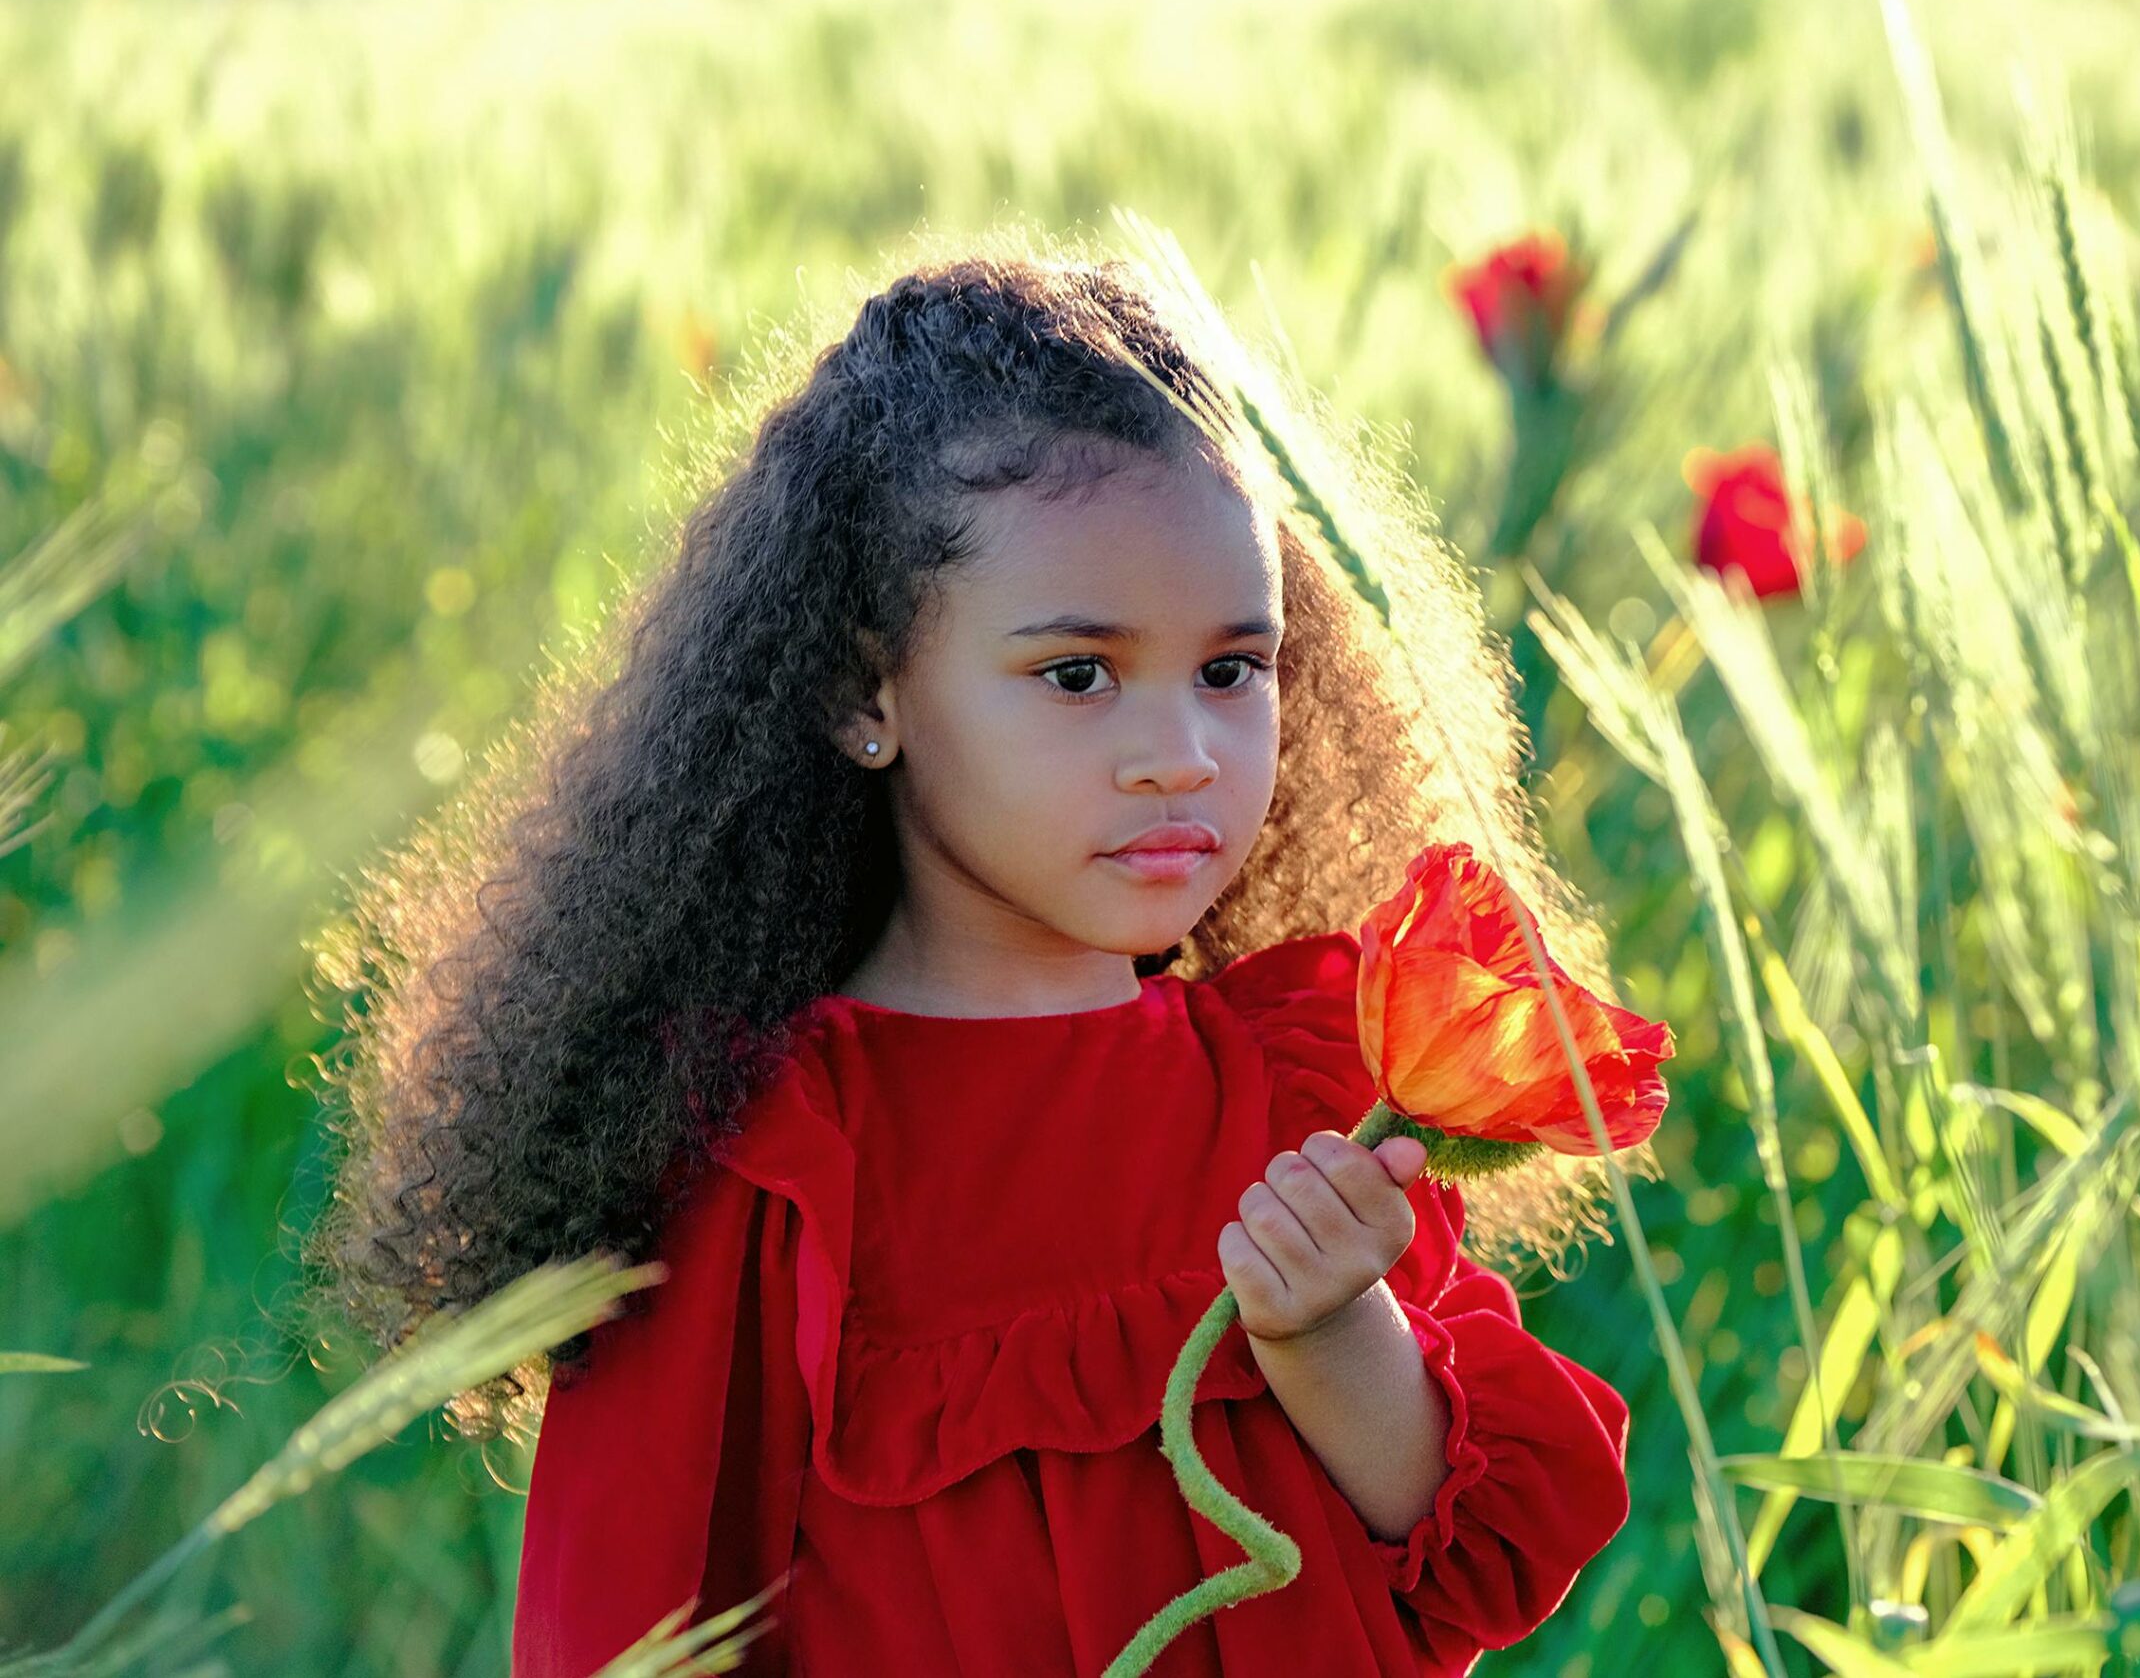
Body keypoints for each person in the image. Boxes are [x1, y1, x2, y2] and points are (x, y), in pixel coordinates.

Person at [297, 234, 1649, 1676]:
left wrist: (1332, 1334)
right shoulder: (762, 1162)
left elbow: (1479, 1562)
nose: (1179, 757)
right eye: (1078, 676)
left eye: (1230, 670)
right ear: (862, 688)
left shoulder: (1298, 1085)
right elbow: (623, 1631)